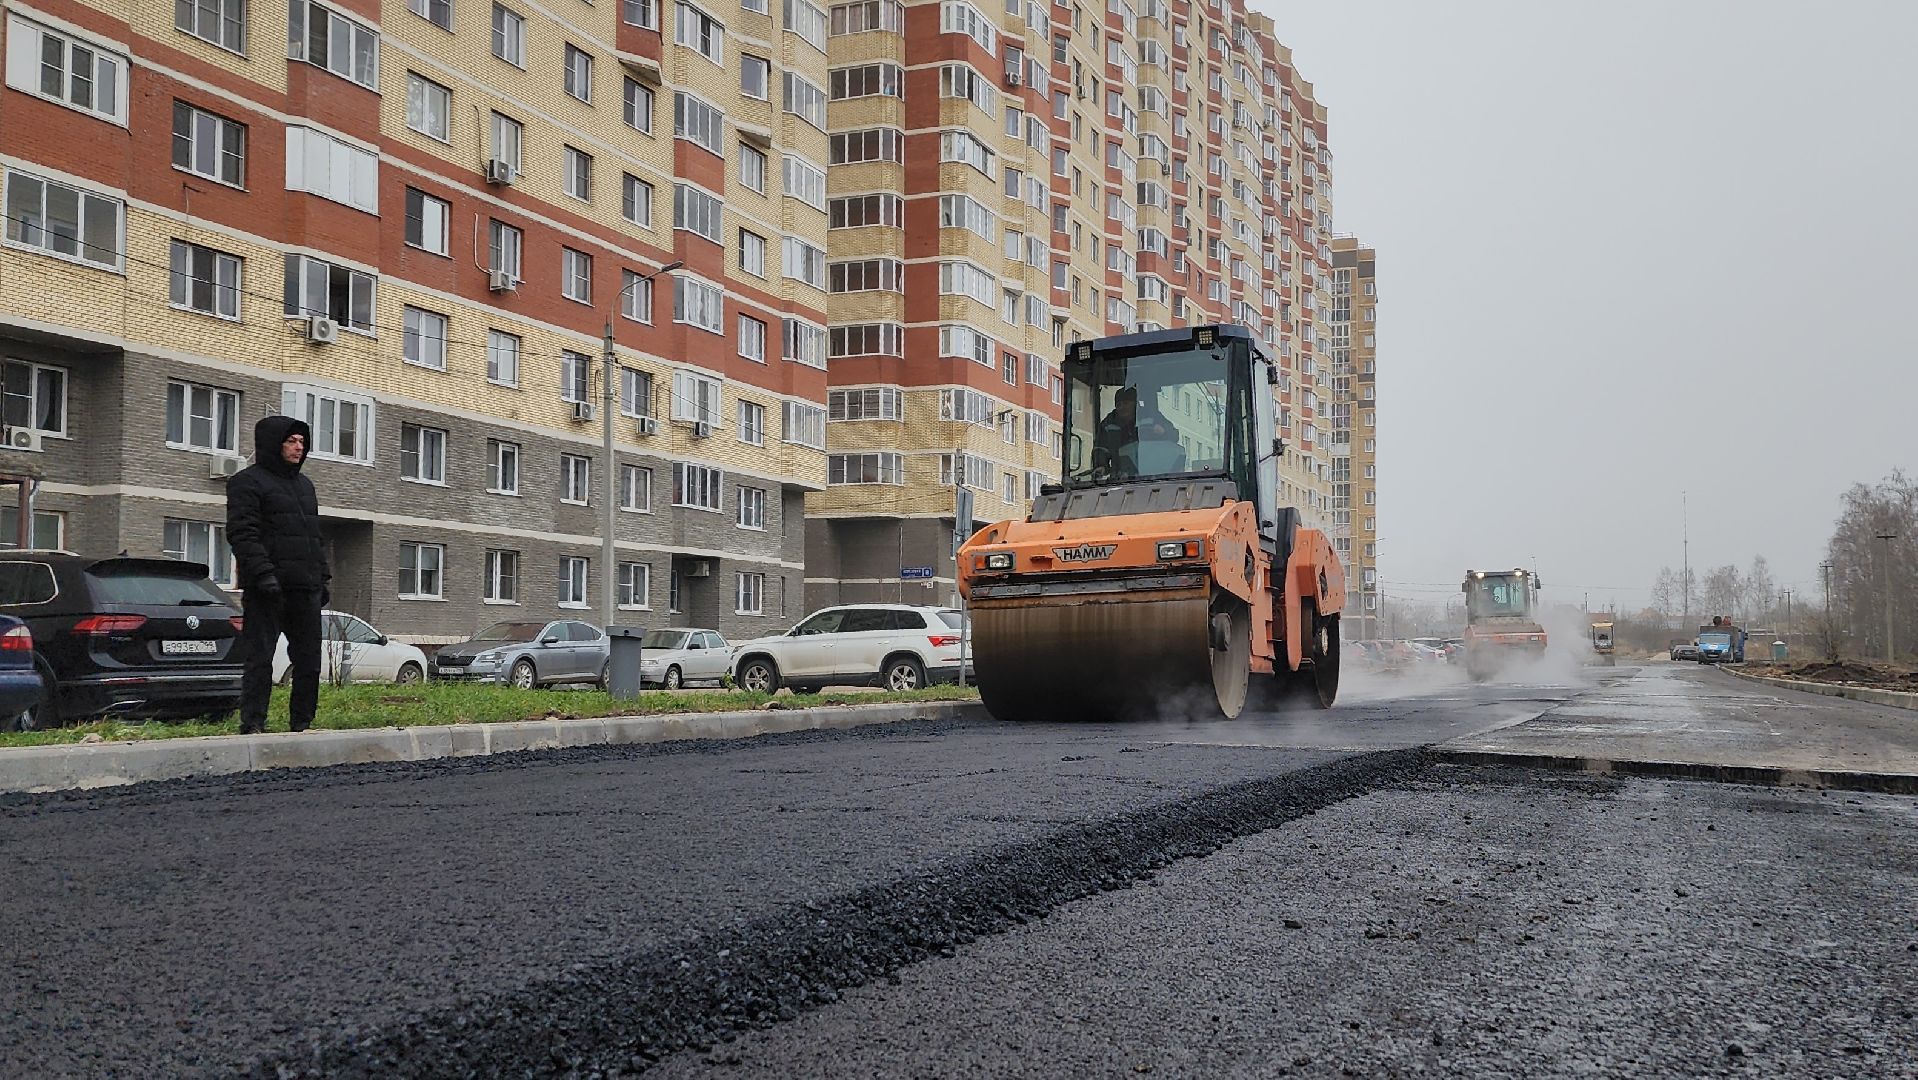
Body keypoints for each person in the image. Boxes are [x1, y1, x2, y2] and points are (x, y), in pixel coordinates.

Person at [226, 416, 330, 734]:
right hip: (266, 589)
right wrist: (263, 574)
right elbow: (243, 533)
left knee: (309, 660)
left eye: (302, 441)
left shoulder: (305, 486)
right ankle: (253, 722)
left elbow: (313, 536)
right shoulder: (247, 482)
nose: (298, 447)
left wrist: (322, 576)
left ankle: (302, 722)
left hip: (304, 587)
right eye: (291, 441)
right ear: (274, 444)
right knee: (260, 658)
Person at [1093, 386, 1173, 474]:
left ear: (1135, 404)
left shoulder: (1151, 416)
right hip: (1120, 478)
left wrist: (1164, 431)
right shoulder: (1108, 424)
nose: (1122, 407)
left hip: (1153, 474)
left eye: (1126, 403)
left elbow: (1174, 435)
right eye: (1119, 405)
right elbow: (1100, 448)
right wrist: (1101, 465)